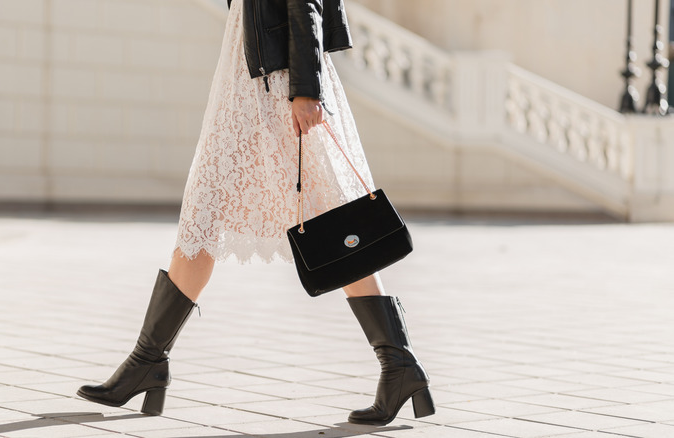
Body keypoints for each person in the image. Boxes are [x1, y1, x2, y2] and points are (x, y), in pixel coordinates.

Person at [77, 0, 434, 426]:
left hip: (280, 85)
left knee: (333, 223)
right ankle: (146, 361)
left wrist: (305, 89)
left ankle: (399, 366)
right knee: (204, 220)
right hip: (247, 79)